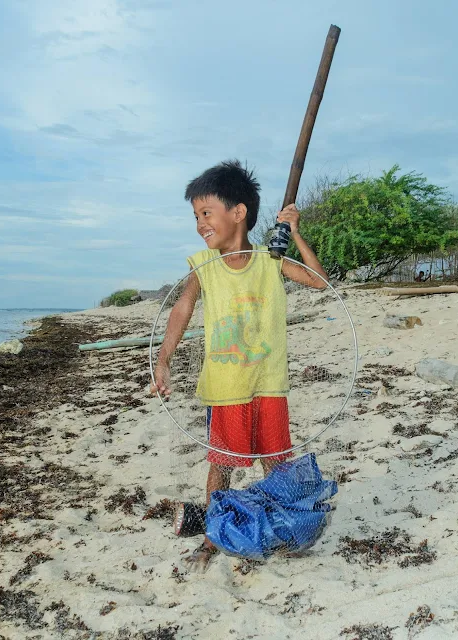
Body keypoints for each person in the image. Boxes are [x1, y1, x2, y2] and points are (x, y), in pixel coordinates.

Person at [150, 160, 328, 571]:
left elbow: (320, 282)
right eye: (195, 216)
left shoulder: (271, 259)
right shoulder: (203, 265)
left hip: (268, 382)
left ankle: (288, 527)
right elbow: (183, 307)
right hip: (226, 385)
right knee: (222, 462)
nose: (200, 224)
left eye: (206, 213)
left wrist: (295, 232)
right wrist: (163, 359)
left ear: (239, 212)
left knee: (277, 461)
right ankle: (213, 536)